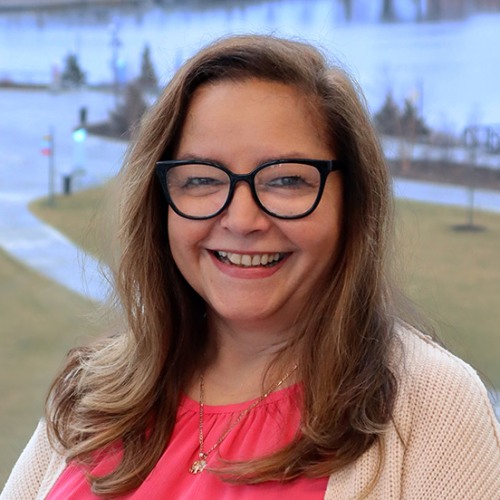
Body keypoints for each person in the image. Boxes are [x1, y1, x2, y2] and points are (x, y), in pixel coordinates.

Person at [2, 34, 499, 500]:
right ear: (161, 205)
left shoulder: (434, 408)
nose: (242, 219)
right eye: (201, 180)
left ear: (353, 204)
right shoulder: (96, 391)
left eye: (286, 181)